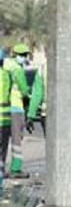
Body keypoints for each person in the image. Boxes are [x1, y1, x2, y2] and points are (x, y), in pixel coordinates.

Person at [0, 45, 27, 176]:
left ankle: (2, 168)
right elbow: (24, 90)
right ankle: (16, 168)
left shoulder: (6, 67)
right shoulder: (17, 70)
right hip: (16, 109)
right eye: (24, 55)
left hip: (6, 110)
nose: (25, 58)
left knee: (3, 142)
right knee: (16, 141)